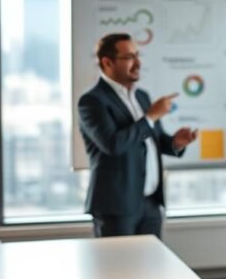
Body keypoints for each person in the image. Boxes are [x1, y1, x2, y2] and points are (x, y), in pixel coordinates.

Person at [77, 33, 198, 238]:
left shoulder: (142, 96)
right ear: (107, 62)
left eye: (137, 55)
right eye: (129, 57)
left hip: (150, 203)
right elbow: (113, 144)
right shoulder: (92, 101)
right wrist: (150, 116)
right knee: (117, 269)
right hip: (116, 207)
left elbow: (153, 139)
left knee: (152, 268)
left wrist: (175, 143)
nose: (137, 63)